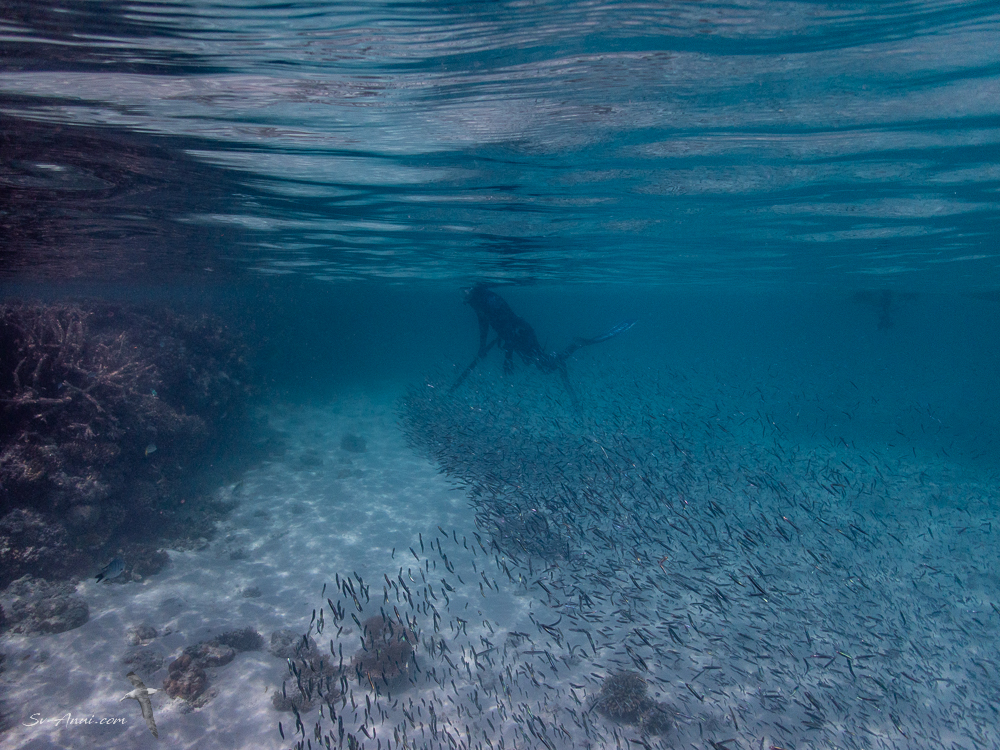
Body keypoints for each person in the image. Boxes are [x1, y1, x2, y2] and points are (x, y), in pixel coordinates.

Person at [449, 283, 636, 400]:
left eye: (467, 295)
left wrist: (508, 356)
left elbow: (507, 325)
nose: (467, 301)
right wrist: (482, 347)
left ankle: (574, 346)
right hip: (515, 337)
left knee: (545, 367)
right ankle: (560, 355)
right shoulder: (479, 303)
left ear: (472, 293)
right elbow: (485, 325)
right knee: (538, 363)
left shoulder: (489, 300)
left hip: (522, 335)